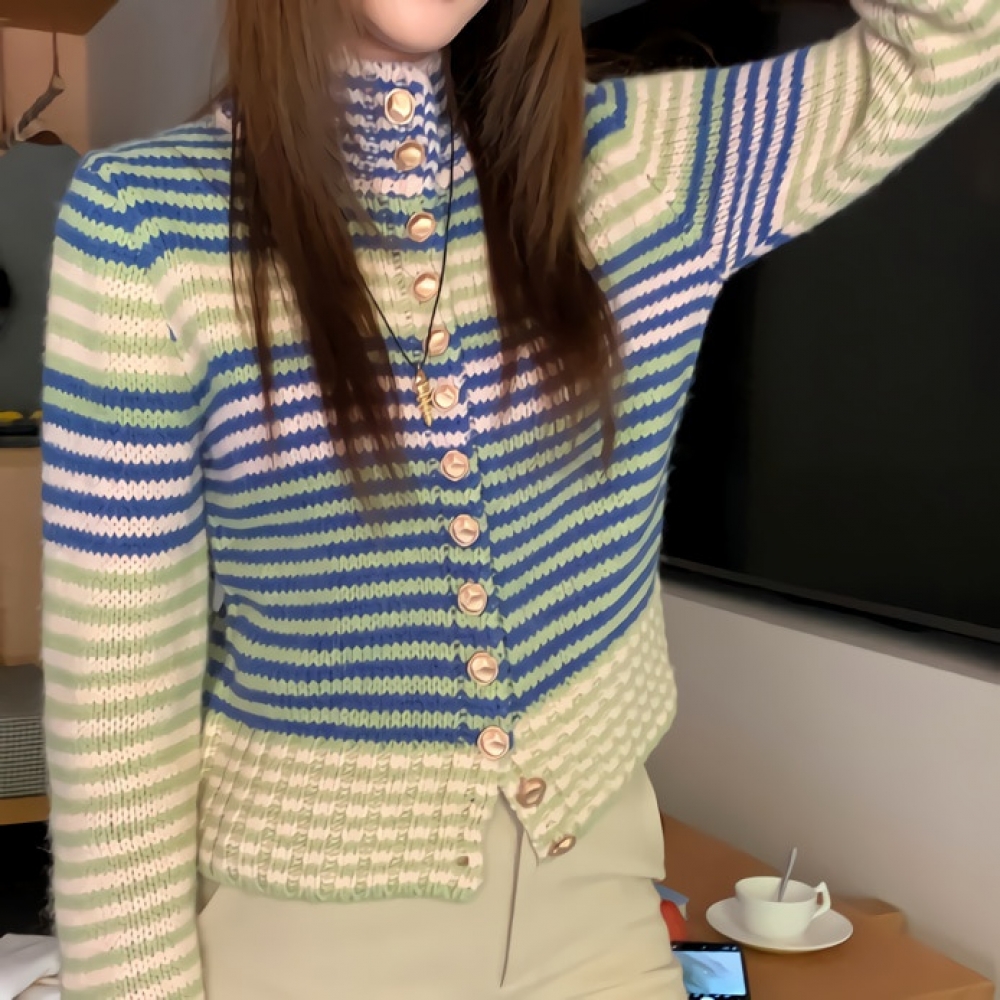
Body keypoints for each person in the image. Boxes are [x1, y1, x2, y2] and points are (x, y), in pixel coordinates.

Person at [40, 0, 998, 997]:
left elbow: (957, 30)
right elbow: (117, 705)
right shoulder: (148, 225)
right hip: (305, 944)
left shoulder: (642, 170)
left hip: (602, 929)